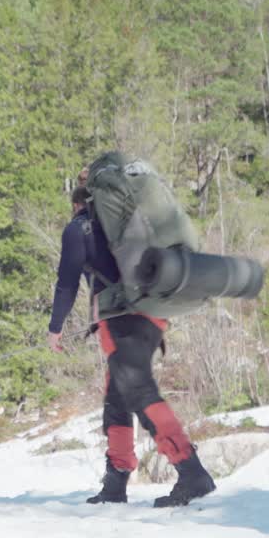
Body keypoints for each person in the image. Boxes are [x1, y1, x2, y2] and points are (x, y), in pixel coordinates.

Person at [48, 185, 216, 507]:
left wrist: (55, 329)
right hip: (154, 315)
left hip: (119, 317)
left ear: (77, 203)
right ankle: (116, 482)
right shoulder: (135, 222)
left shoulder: (79, 227)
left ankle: (191, 470)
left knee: (136, 391)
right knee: (118, 394)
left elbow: (66, 283)